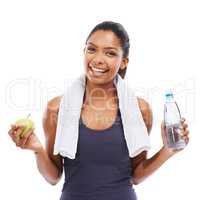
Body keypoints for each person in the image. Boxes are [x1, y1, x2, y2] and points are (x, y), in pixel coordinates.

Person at [8, 21, 190, 200]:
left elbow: (136, 175)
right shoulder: (57, 108)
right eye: (92, 49)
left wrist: (167, 150)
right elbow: (53, 177)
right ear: (84, 51)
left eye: (110, 53)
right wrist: (37, 149)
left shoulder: (140, 110)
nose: (97, 59)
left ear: (124, 62)